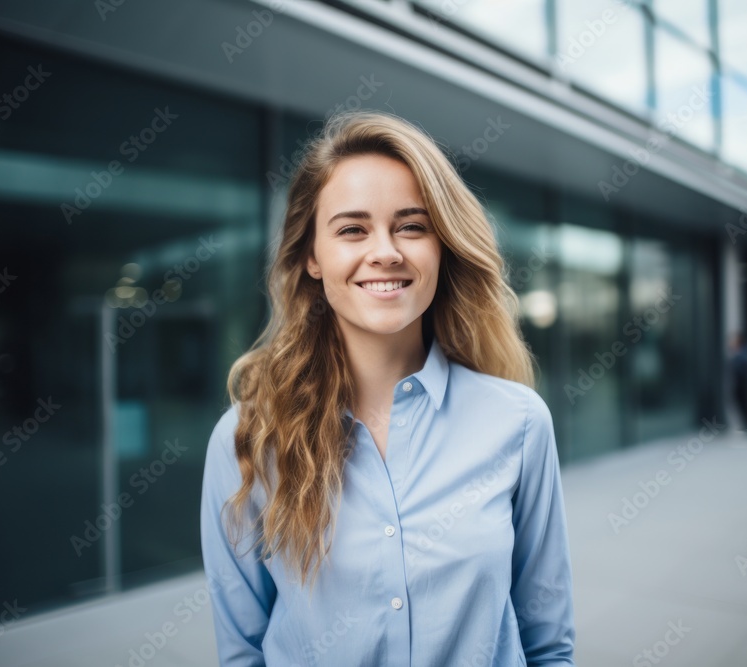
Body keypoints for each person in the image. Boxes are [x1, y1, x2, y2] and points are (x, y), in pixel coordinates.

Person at [200, 110, 575, 666]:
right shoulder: (248, 438)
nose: (386, 251)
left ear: (441, 246)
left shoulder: (518, 423)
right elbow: (243, 652)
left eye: (412, 226)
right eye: (353, 229)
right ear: (312, 257)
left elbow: (548, 643)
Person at [730, 332, 747, 435]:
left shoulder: (746, 351)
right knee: (742, 403)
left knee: (745, 403)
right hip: (740, 382)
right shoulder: (742, 351)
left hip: (744, 382)